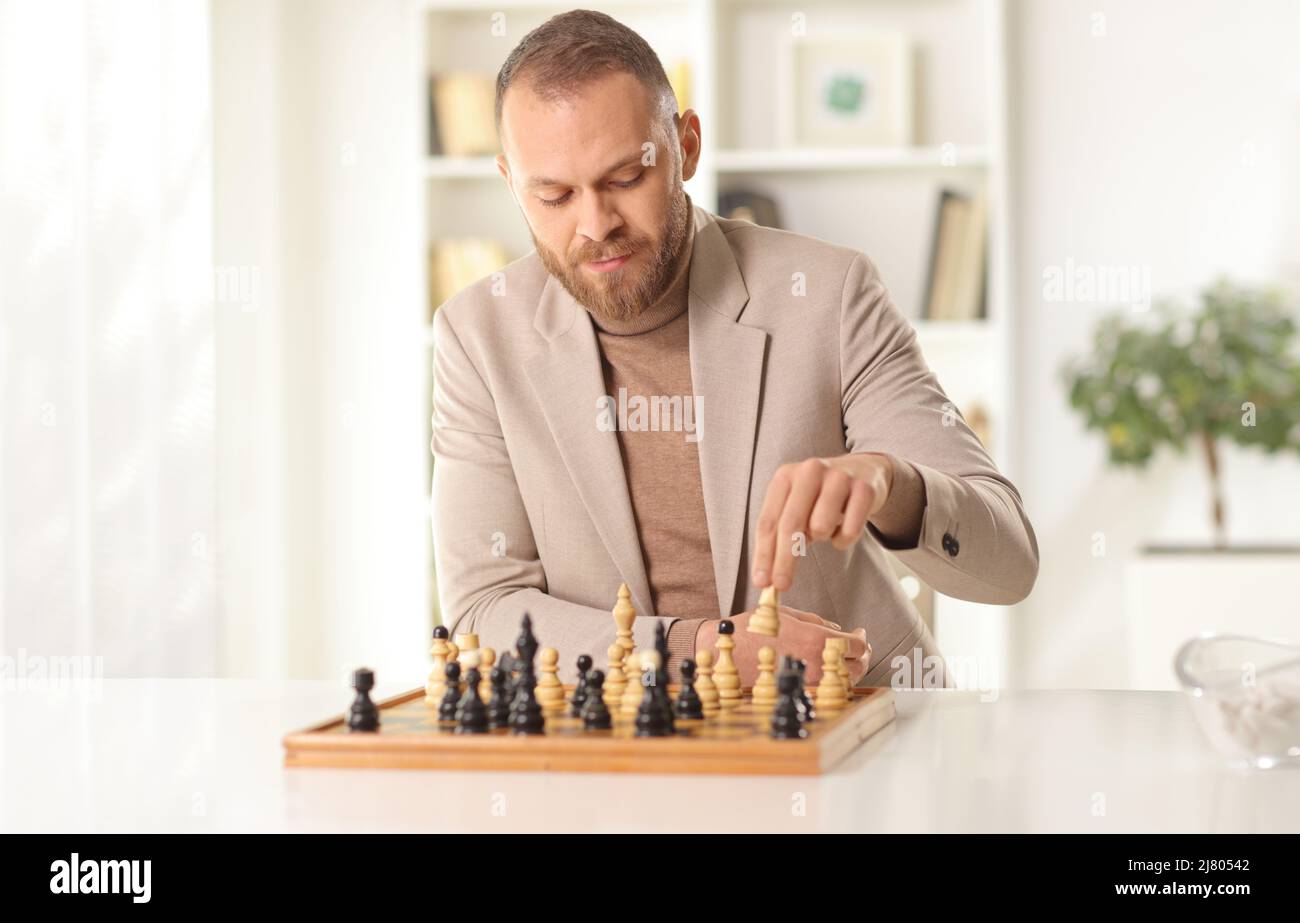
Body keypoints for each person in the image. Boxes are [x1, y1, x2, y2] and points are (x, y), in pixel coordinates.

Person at [430, 10, 1038, 686]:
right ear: (512, 183)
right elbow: (483, 608)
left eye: (626, 178)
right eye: (554, 195)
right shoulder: (476, 336)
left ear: (686, 146)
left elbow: (1009, 563)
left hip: (858, 738)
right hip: (620, 753)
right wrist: (701, 650)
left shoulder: (830, 294)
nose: (595, 224)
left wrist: (892, 485)